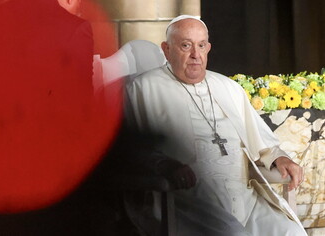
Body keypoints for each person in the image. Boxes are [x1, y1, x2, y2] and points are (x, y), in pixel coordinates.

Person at [125, 15, 306, 235]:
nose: (195, 55)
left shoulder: (228, 87)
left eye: (201, 46)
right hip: (187, 203)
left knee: (291, 232)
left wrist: (280, 157)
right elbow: (129, 151)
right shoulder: (142, 89)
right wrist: (164, 164)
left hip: (244, 200)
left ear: (208, 48)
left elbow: (262, 142)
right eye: (185, 45)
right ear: (167, 49)